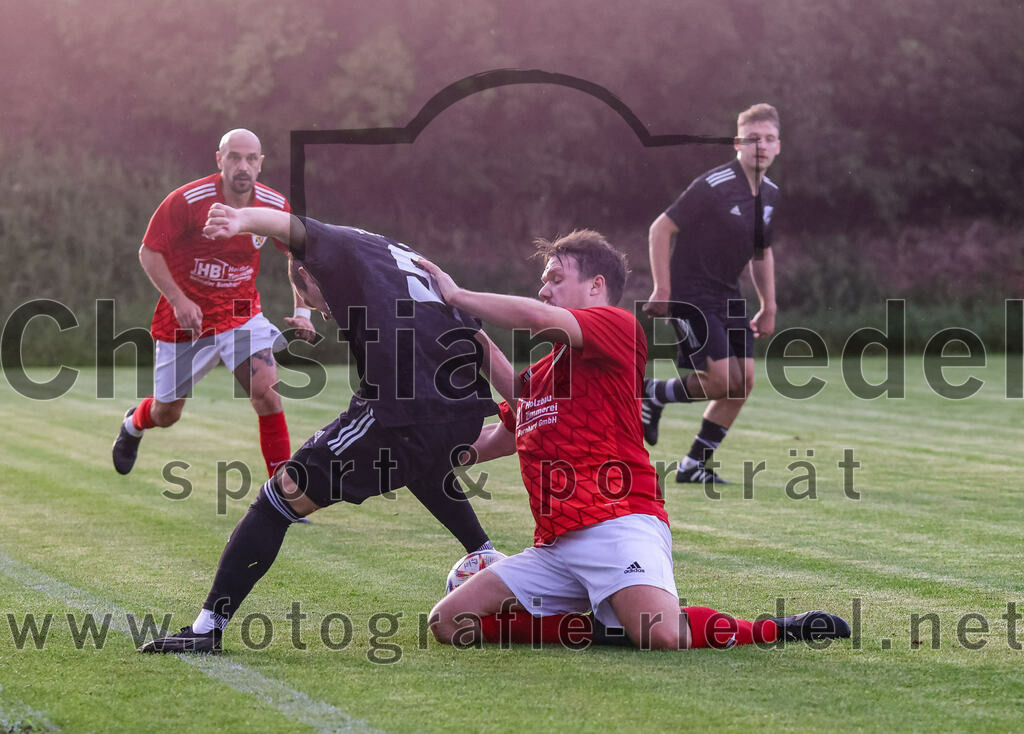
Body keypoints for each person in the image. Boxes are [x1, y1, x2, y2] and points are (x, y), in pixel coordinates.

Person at [421, 231, 848, 650]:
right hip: (555, 544)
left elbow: (536, 318)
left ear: (596, 286)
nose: (543, 290)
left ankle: (774, 629)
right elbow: (503, 434)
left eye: (555, 279)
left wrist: (458, 297)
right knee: (449, 623)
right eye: (543, 282)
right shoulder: (542, 374)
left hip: (618, 521)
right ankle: (604, 629)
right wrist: (425, 450)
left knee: (659, 634)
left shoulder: (617, 326)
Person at [139, 205, 514, 654]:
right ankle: (484, 554)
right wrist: (525, 403)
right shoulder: (405, 258)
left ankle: (206, 629)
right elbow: (479, 337)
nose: (328, 315)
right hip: (461, 407)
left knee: (276, 499)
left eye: (318, 303)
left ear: (310, 273)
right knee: (420, 463)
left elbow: (291, 227)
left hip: (403, 407)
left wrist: (240, 220)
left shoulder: (335, 248)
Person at [112, 129, 315, 478]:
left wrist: (303, 310)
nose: (242, 166)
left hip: (241, 314)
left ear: (261, 164)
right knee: (167, 414)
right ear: (219, 159)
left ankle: (282, 496)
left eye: (251, 159)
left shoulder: (274, 204)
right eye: (234, 157)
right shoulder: (189, 199)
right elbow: (149, 251)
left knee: (267, 396)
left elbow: (299, 254)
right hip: (186, 320)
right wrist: (179, 299)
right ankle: (134, 423)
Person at [641, 103, 782, 484]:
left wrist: (769, 305)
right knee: (721, 380)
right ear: (738, 143)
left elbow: (761, 253)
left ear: (779, 146)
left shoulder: (770, 195)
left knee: (744, 383)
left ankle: (693, 465)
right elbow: (660, 229)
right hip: (691, 294)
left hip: (729, 297)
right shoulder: (713, 185)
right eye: (753, 139)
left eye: (769, 139)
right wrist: (664, 287)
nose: (761, 146)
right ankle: (652, 393)